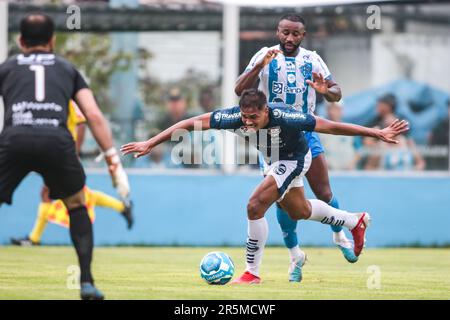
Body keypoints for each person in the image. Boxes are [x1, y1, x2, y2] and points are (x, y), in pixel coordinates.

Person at [121, 89, 409, 284]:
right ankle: (353, 220)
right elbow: (192, 121)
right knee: (299, 210)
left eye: (253, 117)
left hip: (295, 158)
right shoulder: (233, 117)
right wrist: (150, 142)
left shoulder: (286, 117)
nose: (247, 122)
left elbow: (330, 126)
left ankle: (251, 273)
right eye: (244, 117)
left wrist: (376, 132)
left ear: (265, 110)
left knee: (254, 205)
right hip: (272, 161)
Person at [0, 14, 130, 300]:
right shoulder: (67, 69)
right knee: (76, 205)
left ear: (21, 41)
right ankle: (86, 283)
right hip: (56, 142)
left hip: (14, 139)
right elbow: (93, 115)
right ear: (52, 41)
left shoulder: (7, 67)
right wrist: (113, 161)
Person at [234, 13, 356, 281]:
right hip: (273, 138)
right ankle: (295, 257)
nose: (289, 38)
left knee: (323, 191)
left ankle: (340, 236)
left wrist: (326, 91)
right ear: (278, 32)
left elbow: (337, 93)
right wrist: (257, 68)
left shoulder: (312, 59)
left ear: (303, 35)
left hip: (306, 132)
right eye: (285, 33)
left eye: (295, 34)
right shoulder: (264, 55)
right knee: (284, 204)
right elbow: (239, 89)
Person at [10, 101, 133, 246]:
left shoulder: (68, 97)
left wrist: (74, 153)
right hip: (59, 151)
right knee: (70, 193)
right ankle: (122, 207)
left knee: (60, 193)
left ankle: (34, 238)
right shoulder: (55, 97)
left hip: (66, 153)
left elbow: (81, 123)